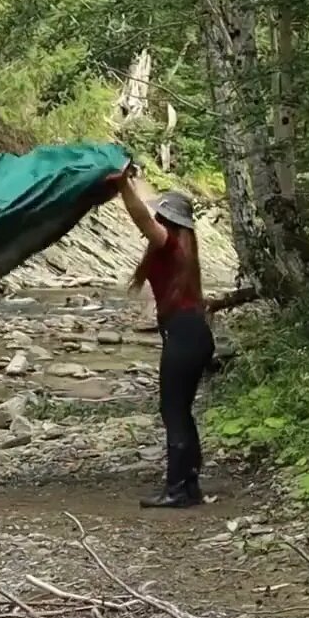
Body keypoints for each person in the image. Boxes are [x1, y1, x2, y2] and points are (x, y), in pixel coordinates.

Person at [115, 170, 215, 508]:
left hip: (184, 336)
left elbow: (140, 218)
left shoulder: (169, 243)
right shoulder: (184, 250)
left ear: (166, 219)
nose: (155, 218)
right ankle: (189, 487)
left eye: (160, 215)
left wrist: (121, 185)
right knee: (181, 411)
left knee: (173, 410)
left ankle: (176, 490)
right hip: (194, 335)